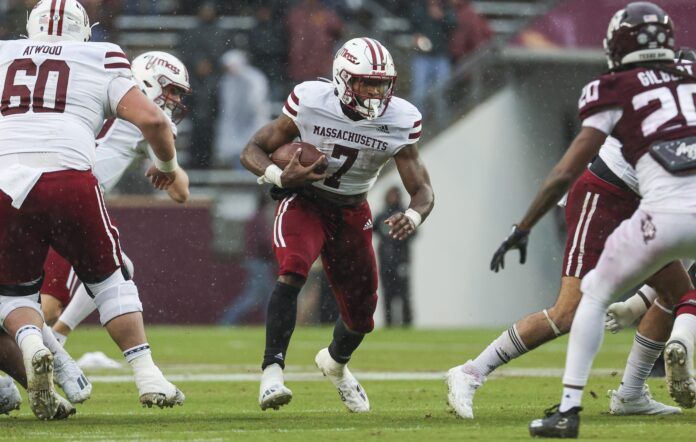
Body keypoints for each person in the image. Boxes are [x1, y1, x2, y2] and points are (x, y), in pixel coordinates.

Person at [483, 2, 696, 437]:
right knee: (685, 294)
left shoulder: (615, 87)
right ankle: (682, 345)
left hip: (655, 211)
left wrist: (524, 225)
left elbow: (564, 171)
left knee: (592, 296)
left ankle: (569, 411)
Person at [0, 0, 184, 417]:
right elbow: (153, 121)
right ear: (83, 30)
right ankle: (147, 376)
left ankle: (33, 345)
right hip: (67, 177)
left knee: (12, 293)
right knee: (111, 279)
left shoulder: (4, 52)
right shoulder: (101, 54)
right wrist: (169, 166)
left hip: (5, 182)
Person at [241, 37, 434, 412]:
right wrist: (280, 178)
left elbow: (422, 188)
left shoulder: (401, 119)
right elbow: (253, 149)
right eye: (366, 82)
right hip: (306, 202)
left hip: (352, 212)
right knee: (293, 269)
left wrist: (413, 215)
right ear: (343, 79)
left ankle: (335, 364)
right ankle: (272, 373)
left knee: (361, 315)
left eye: (382, 83)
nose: (376, 92)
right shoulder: (311, 100)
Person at [447, 134, 687, 419]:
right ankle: (470, 372)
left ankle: (631, 394)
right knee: (567, 313)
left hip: (641, 206)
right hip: (605, 197)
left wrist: (636, 304)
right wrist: (524, 226)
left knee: (681, 296)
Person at [42, 51, 191, 346]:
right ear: (149, 81)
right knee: (43, 305)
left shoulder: (92, 89)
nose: (174, 99)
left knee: (119, 268)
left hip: (38, 191)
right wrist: (168, 166)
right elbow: (180, 191)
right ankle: (49, 343)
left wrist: (168, 166)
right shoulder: (148, 119)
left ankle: (56, 338)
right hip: (65, 205)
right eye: (171, 89)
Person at [218, 193, 276, 325]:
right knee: (255, 297)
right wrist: (273, 254)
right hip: (259, 262)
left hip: (255, 261)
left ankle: (270, 323)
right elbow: (263, 242)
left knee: (262, 296)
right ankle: (227, 321)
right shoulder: (260, 219)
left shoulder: (254, 217)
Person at [214, 50, 270, 168]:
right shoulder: (227, 81)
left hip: (252, 122)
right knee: (236, 154)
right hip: (234, 124)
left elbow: (257, 100)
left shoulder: (254, 78)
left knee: (254, 152)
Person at [408, 0, 457, 118]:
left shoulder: (447, 8)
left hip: (441, 56)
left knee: (442, 91)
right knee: (419, 92)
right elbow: (412, 27)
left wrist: (442, 17)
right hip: (422, 56)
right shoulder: (419, 8)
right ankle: (419, 120)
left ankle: (442, 120)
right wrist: (415, 37)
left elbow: (454, 26)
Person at [374, 186, 415, 327]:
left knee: (404, 294)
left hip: (401, 262)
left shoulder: (404, 215)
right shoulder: (382, 216)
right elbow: (370, 230)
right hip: (385, 263)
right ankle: (389, 324)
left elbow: (414, 233)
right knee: (387, 294)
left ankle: (407, 323)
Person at [285, 0, 343, 83]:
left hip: (321, 69)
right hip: (299, 69)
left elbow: (339, 30)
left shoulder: (325, 15)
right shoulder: (295, 14)